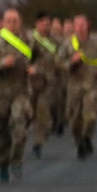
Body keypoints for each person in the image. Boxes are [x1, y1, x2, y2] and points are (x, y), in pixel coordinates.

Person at [0, 8, 34, 182]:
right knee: (2, 133)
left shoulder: (29, 40)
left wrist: (36, 69)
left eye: (15, 20)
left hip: (21, 92)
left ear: (20, 22)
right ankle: (3, 163)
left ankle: (16, 162)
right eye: (8, 20)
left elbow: (43, 59)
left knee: (19, 127)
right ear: (3, 23)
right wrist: (2, 64)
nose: (12, 24)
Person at [57, 14, 97, 158]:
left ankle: (86, 138)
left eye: (83, 24)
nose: (80, 28)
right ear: (73, 27)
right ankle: (80, 143)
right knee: (75, 119)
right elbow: (59, 63)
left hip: (92, 85)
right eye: (77, 25)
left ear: (88, 25)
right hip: (74, 86)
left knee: (90, 117)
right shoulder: (68, 44)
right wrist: (71, 62)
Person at [29, 11, 63, 158]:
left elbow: (62, 59)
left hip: (49, 83)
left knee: (43, 112)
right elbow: (22, 57)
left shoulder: (56, 41)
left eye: (48, 23)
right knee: (32, 114)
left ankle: (38, 143)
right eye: (43, 23)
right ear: (37, 24)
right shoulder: (29, 39)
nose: (46, 26)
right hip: (30, 83)